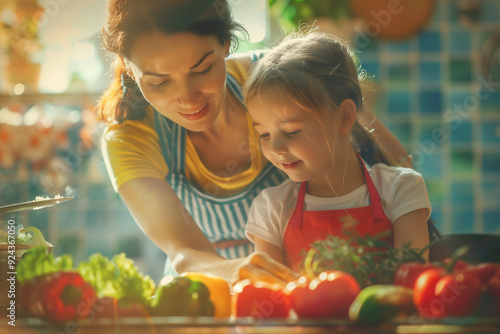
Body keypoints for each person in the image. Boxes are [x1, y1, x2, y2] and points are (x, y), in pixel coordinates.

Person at [96, 0, 413, 284]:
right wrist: (238, 272)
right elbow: (184, 253)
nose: (188, 98)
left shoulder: (276, 77)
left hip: (316, 285)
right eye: (159, 81)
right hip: (209, 294)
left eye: (203, 68)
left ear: (226, 43)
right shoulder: (129, 139)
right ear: (130, 70)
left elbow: (393, 163)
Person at [244, 30, 431, 271]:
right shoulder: (270, 208)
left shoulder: (401, 190)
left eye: (291, 131)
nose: (276, 148)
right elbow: (273, 297)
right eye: (264, 134)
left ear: (344, 117)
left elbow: (409, 287)